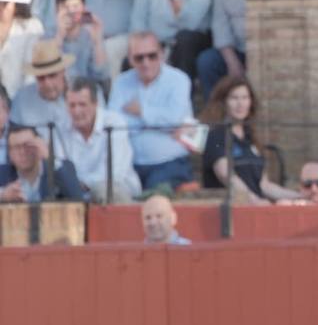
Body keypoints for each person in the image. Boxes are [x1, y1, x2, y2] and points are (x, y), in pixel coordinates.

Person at [109, 29, 197, 191]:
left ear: (161, 54)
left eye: (152, 56)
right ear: (130, 59)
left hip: (170, 164)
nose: (146, 63)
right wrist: (158, 122)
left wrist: (141, 111)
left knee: (153, 196)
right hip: (130, 164)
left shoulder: (178, 80)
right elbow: (115, 124)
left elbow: (174, 119)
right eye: (139, 58)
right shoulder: (121, 83)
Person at [200, 74, 300, 203]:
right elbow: (227, 176)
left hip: (255, 209)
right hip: (232, 210)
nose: (240, 104)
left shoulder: (251, 138)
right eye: (234, 98)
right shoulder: (215, 136)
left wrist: (300, 196)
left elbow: (264, 185)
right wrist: (255, 201)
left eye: (245, 98)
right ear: (224, 102)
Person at [54, 74, 138, 200]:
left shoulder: (114, 122)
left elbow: (114, 173)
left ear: (95, 104)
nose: (76, 111)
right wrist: (74, 185)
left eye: (82, 104)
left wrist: (81, 183)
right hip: (76, 194)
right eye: (72, 105)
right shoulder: (60, 127)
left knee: (105, 190)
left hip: (117, 191)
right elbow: (59, 168)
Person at [0, 122, 83, 201]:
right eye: (16, 147)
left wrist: (49, 158)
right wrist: (2, 195)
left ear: (39, 145)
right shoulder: (2, 173)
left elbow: (77, 197)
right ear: (9, 153)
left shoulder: (60, 168)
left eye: (27, 145)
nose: (22, 152)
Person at [12, 38, 72, 132]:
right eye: (41, 77)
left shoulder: (81, 94)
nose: (47, 83)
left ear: (63, 71)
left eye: (52, 75)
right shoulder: (22, 99)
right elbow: (12, 134)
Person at [51, 0, 107, 85]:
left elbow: (101, 73)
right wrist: (60, 35)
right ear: (57, 10)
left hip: (87, 88)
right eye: (65, 7)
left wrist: (97, 41)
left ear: (83, 8)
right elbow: (48, 69)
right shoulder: (48, 35)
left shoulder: (89, 35)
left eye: (75, 6)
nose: (71, 11)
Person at [0, 0, 44, 96]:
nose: (1, 7)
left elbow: (31, 74)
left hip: (21, 98)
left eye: (5, 2)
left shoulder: (31, 28)